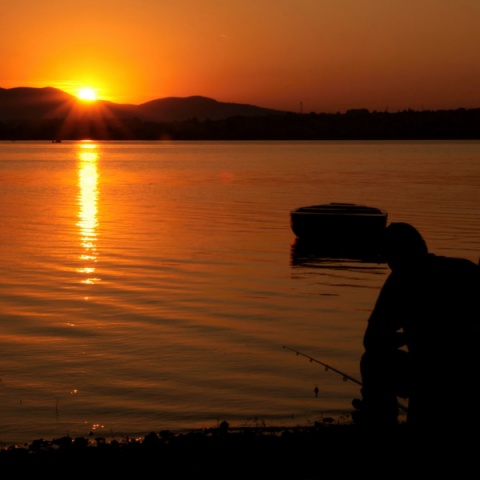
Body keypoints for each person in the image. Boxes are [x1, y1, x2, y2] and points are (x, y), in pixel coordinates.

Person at [354, 222, 480, 442]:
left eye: (389, 256)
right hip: (466, 372)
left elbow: (372, 341)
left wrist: (408, 337)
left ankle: (380, 431)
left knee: (372, 362)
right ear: (422, 247)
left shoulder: (400, 281)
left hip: (431, 374)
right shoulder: (465, 269)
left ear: (393, 257)